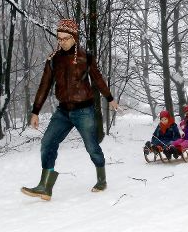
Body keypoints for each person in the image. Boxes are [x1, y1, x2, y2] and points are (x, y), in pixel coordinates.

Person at [21, 19, 118, 201]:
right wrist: (35, 111)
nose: (62, 42)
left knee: (91, 147)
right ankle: (45, 187)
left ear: (74, 38)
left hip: (84, 111)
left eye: (66, 38)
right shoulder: (53, 60)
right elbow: (44, 85)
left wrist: (110, 98)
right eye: (59, 39)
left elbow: (97, 79)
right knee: (47, 143)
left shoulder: (86, 57)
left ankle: (101, 179)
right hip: (63, 112)